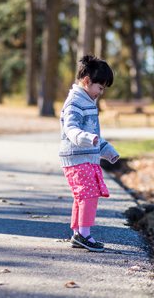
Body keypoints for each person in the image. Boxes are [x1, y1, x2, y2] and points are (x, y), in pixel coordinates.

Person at [59, 55, 120, 252]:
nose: (100, 93)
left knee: (82, 195)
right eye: (100, 88)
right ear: (87, 81)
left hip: (86, 157)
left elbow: (94, 135)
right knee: (88, 195)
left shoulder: (88, 102)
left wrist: (108, 151)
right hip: (76, 158)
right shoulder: (75, 102)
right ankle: (85, 234)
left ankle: (78, 233)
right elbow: (71, 129)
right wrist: (85, 138)